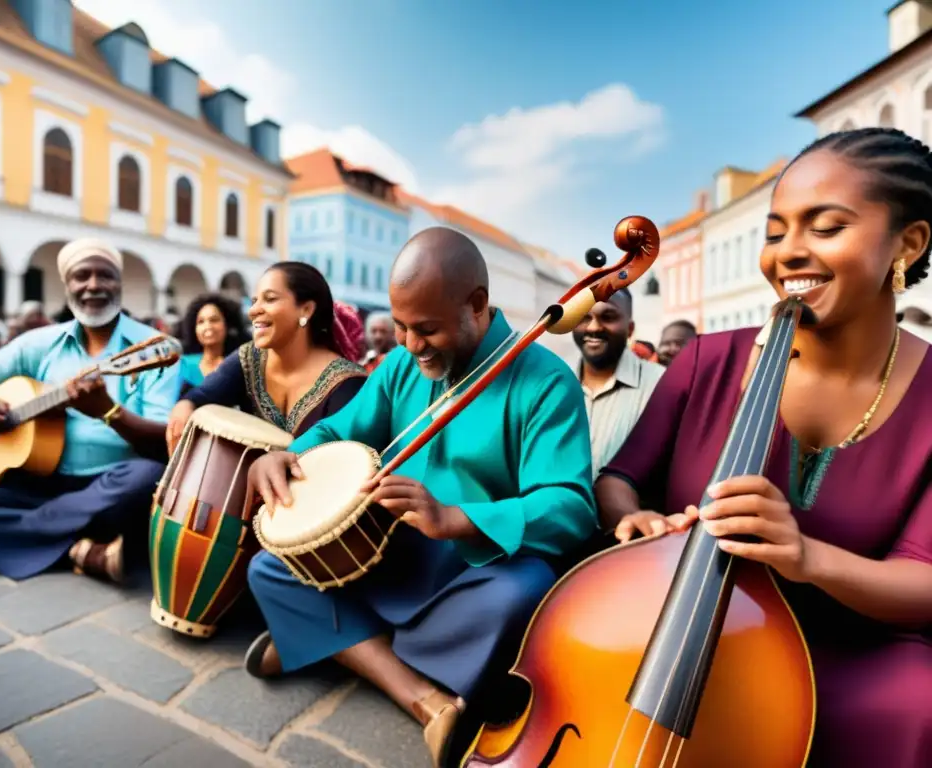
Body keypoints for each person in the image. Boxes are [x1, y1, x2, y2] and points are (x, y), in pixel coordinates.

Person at [595, 127, 932, 767]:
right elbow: (620, 479)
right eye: (775, 232)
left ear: (908, 243)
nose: (787, 254)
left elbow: (924, 580)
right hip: (694, 627)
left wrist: (805, 556)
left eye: (826, 228)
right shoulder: (705, 361)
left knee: (918, 705)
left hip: (852, 649)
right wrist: (631, 520)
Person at [243, 227, 596, 766]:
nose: (410, 346)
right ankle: (425, 698)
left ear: (476, 305)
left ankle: (329, 640)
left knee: (525, 591)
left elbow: (570, 507)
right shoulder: (402, 366)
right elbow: (337, 432)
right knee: (269, 566)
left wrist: (455, 518)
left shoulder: (546, 382)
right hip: (387, 551)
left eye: (426, 329)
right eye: (402, 326)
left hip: (469, 570)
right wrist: (289, 452)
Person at [0, 238, 181, 580]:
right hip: (33, 484)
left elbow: (163, 442)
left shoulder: (152, 350)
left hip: (107, 485)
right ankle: (77, 550)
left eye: (105, 276)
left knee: (144, 479)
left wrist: (110, 413)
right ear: (68, 286)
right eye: (82, 276)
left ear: (119, 284)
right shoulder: (39, 343)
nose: (93, 285)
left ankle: (1, 539)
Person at [166, 263, 367, 445]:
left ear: (306, 309)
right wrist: (184, 406)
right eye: (254, 301)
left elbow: (342, 464)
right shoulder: (249, 358)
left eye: (270, 299)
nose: (253, 311)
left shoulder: (347, 382)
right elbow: (200, 395)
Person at [572, 287, 664, 478]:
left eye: (608, 316)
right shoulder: (554, 385)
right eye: (583, 317)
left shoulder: (661, 385)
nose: (593, 327)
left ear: (630, 329)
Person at [178, 293, 249, 389]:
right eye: (201, 322)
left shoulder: (239, 366)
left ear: (227, 325)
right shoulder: (183, 365)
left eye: (214, 320)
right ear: (194, 328)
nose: (208, 326)